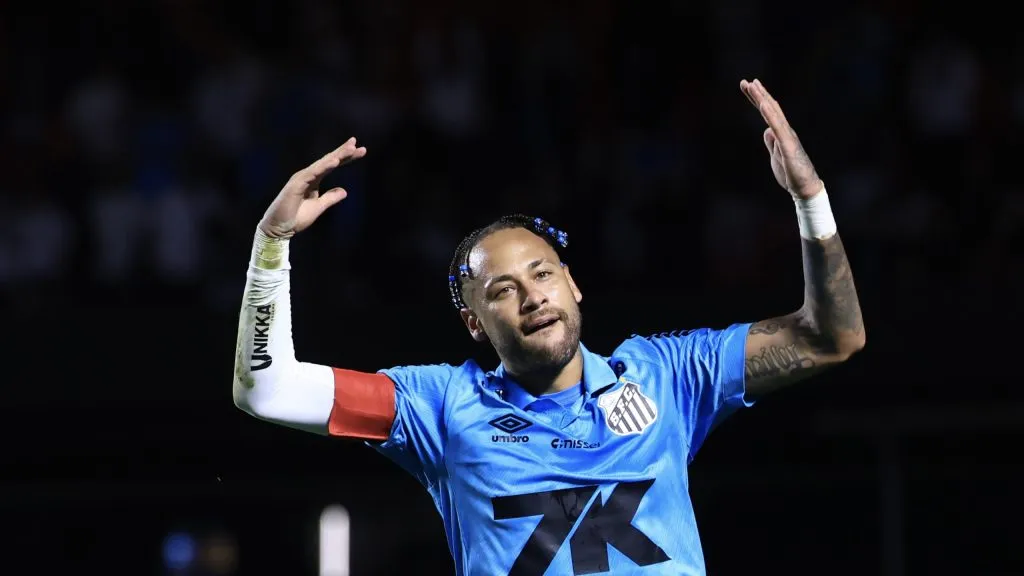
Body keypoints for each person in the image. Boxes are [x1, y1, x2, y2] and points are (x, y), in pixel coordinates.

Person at [232, 78, 865, 576]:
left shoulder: (669, 376)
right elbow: (268, 389)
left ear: (573, 284)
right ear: (475, 324)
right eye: (502, 291)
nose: (532, 297)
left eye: (543, 274)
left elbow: (831, 338)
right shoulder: (440, 407)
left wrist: (810, 200)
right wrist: (272, 243)